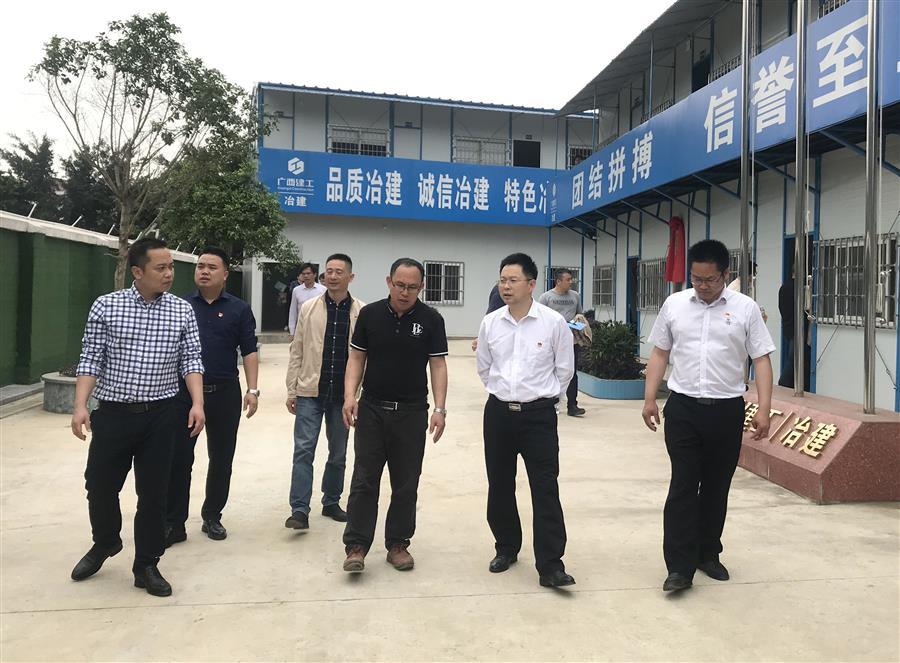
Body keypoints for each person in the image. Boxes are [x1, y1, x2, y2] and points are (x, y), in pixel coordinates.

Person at [69, 238, 205, 597]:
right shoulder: (107, 306)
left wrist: (197, 403)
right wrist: (80, 405)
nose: (169, 273)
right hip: (113, 414)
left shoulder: (181, 310)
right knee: (99, 485)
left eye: (171, 267)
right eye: (161, 268)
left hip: (162, 415)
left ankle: (146, 564)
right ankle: (106, 541)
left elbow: (191, 359)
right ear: (137, 271)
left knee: (154, 494)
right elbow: (91, 358)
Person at [642, 239, 774, 593]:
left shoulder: (745, 309)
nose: (702, 286)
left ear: (725, 274)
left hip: (726, 410)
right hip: (683, 408)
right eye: (696, 279)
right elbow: (659, 353)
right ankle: (679, 568)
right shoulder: (675, 305)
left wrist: (763, 408)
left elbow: (761, 359)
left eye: (710, 280)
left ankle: (708, 554)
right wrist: (649, 398)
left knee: (716, 486)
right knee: (683, 486)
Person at [340, 258, 448, 573]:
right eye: (399, 285)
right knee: (364, 480)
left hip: (412, 413)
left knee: (406, 483)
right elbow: (356, 357)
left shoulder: (431, 319)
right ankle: (356, 546)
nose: (404, 292)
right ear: (389, 282)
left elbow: (438, 365)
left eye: (412, 287)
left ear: (421, 287)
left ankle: (398, 544)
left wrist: (439, 408)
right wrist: (350, 396)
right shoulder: (370, 315)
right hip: (372, 409)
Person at [476, 253, 576, 588]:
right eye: (502, 280)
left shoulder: (553, 323)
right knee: (500, 484)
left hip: (539, 417)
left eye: (513, 280)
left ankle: (551, 564)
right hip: (499, 414)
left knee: (545, 487)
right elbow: (484, 368)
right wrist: (505, 393)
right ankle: (506, 548)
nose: (505, 286)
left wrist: (545, 400)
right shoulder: (491, 323)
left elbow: (564, 370)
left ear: (531, 284)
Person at [165, 247, 259, 547]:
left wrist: (252, 389)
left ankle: (212, 516)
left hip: (224, 393)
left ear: (225, 274)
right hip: (184, 395)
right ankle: (174, 523)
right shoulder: (179, 306)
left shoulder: (239, 309)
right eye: (200, 266)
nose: (204, 271)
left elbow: (249, 351)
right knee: (179, 459)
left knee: (221, 459)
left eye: (211, 267)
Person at [284, 253, 364, 531]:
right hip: (310, 391)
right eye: (329, 271)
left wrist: (358, 394)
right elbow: (297, 349)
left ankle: (331, 501)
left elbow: (365, 357)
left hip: (343, 395)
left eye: (339, 271)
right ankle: (299, 510)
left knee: (338, 452)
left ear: (350, 277)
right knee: (303, 450)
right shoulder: (309, 308)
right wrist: (292, 389)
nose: (332, 276)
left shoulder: (361, 312)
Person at [538, 268, 585, 416]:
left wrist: (578, 325)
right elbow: (540, 319)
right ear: (558, 281)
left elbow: (580, 315)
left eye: (571, 279)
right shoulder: (546, 297)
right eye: (568, 280)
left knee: (571, 372)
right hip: (551, 342)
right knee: (550, 371)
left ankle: (572, 405)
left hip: (571, 341)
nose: (571, 282)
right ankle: (550, 403)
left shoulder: (575, 296)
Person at [777, 275, 811, 390]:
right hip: (798, 328)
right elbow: (805, 308)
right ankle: (784, 382)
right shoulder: (800, 289)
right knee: (795, 358)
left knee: (795, 357)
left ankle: (793, 384)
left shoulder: (783, 287)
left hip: (787, 327)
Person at [288, 263, 326, 339]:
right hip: (301, 327)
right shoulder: (296, 290)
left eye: (308, 273)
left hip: (318, 328)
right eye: (303, 274)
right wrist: (292, 332)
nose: (306, 276)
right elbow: (293, 312)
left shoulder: (323, 290)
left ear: (315, 275)